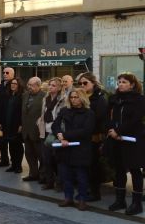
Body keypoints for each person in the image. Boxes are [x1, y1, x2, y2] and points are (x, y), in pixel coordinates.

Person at [106, 72, 145, 215]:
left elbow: (135, 119)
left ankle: (136, 203)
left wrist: (119, 131)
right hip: (116, 139)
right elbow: (109, 116)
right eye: (119, 82)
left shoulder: (139, 99)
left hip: (132, 139)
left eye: (124, 82)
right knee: (119, 169)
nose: (120, 84)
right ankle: (120, 200)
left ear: (132, 85)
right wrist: (112, 130)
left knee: (135, 170)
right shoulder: (115, 99)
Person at [52, 88, 95, 211]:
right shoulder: (65, 110)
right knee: (65, 176)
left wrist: (66, 136)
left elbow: (86, 131)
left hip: (80, 149)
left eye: (76, 97)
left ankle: (82, 200)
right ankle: (68, 198)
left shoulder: (89, 113)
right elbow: (55, 125)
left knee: (81, 177)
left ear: (82, 98)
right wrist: (60, 136)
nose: (73, 100)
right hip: (64, 148)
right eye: (71, 97)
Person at [78, 72, 108, 201]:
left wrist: (97, 134)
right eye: (80, 83)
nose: (82, 85)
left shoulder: (99, 98)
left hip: (93, 137)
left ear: (93, 83)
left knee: (93, 166)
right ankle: (86, 190)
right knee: (83, 165)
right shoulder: (81, 96)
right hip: (81, 136)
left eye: (85, 82)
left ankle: (95, 193)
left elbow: (101, 119)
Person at [37, 77, 65, 190]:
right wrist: (40, 122)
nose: (50, 87)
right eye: (50, 85)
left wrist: (60, 131)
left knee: (57, 159)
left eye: (53, 85)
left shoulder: (62, 100)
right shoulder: (46, 98)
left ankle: (59, 182)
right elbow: (43, 113)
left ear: (59, 87)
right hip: (45, 131)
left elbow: (62, 117)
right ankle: (49, 182)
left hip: (56, 132)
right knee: (46, 159)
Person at [21, 77, 45, 181]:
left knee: (41, 155)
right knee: (29, 154)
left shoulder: (44, 96)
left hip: (37, 131)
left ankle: (43, 175)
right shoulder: (25, 95)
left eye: (31, 85)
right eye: (28, 85)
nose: (29, 87)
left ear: (38, 86)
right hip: (26, 131)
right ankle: (33, 174)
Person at [1, 77, 24, 174]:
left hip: (17, 125)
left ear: (19, 85)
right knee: (11, 145)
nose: (13, 85)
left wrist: (21, 124)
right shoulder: (9, 96)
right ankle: (13, 165)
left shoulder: (21, 97)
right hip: (8, 125)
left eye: (15, 84)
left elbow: (22, 112)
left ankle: (18, 166)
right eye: (12, 84)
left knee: (18, 146)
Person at [0, 67, 15, 167]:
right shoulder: (0, 87)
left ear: (12, 74)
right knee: (1, 141)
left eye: (7, 72)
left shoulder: (14, 86)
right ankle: (4, 160)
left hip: (11, 119)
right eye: (3, 72)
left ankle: (15, 162)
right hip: (1, 119)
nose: (5, 74)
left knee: (12, 142)